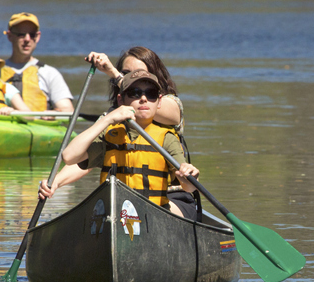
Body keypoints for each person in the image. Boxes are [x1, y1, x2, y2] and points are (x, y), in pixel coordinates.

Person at [38, 70, 201, 219]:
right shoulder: (109, 133)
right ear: (121, 100)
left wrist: (188, 175)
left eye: (150, 94)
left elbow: (188, 187)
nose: (143, 98)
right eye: (135, 93)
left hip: (151, 216)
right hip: (113, 214)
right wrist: (108, 119)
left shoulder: (167, 137)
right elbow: (69, 156)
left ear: (158, 102)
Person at [85, 47, 184, 132]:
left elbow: (170, 114)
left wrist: (115, 74)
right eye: (126, 73)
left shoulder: (172, 103)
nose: (132, 78)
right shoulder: (113, 113)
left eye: (139, 73)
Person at [0, 12, 74, 113]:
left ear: (38, 37)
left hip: (41, 126)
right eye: (21, 34)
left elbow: (68, 110)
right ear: (10, 36)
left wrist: (54, 114)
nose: (27, 39)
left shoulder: (49, 73)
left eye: (32, 34)